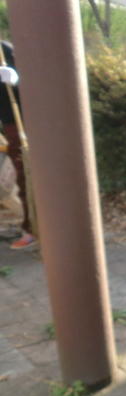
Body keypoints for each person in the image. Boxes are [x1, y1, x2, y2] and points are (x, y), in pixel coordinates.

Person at [0, 41, 36, 250]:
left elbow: (35, 79)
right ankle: (31, 228)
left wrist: (15, 79)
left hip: (23, 123)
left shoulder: (6, 51)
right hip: (9, 126)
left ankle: (33, 228)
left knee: (27, 174)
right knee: (20, 178)